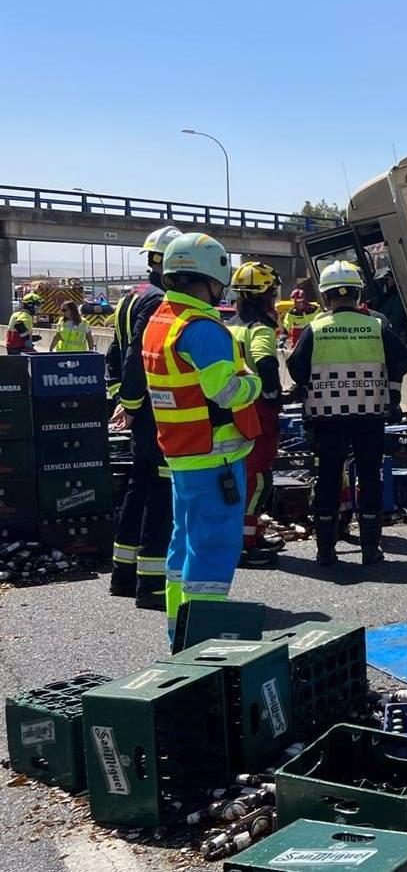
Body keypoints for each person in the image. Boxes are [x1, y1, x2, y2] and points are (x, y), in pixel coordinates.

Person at [139, 233, 262, 642]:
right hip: (215, 458)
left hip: (181, 452)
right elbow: (225, 392)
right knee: (212, 552)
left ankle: (179, 633)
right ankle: (202, 646)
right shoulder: (203, 330)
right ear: (212, 277)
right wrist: (253, 383)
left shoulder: (160, 320)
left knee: (183, 547)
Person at [287, 261, 407, 567]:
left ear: (326, 296)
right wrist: (390, 393)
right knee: (370, 477)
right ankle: (370, 548)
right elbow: (402, 361)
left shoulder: (315, 328)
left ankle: (325, 551)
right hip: (370, 415)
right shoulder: (377, 326)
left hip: (326, 418)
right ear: (358, 294)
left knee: (328, 479)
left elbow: (296, 368)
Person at [106, 225, 183, 606]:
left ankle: (122, 574)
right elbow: (138, 355)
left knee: (138, 489)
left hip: (140, 410)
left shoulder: (131, 297)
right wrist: (133, 406)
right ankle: (151, 585)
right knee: (160, 495)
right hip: (155, 413)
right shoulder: (158, 302)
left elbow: (114, 356)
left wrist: (118, 399)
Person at [229, 262, 286, 567]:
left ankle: (247, 535)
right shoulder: (259, 328)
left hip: (233, 407)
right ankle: (246, 542)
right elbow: (265, 362)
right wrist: (274, 395)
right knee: (258, 476)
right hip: (257, 412)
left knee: (239, 475)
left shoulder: (231, 325)